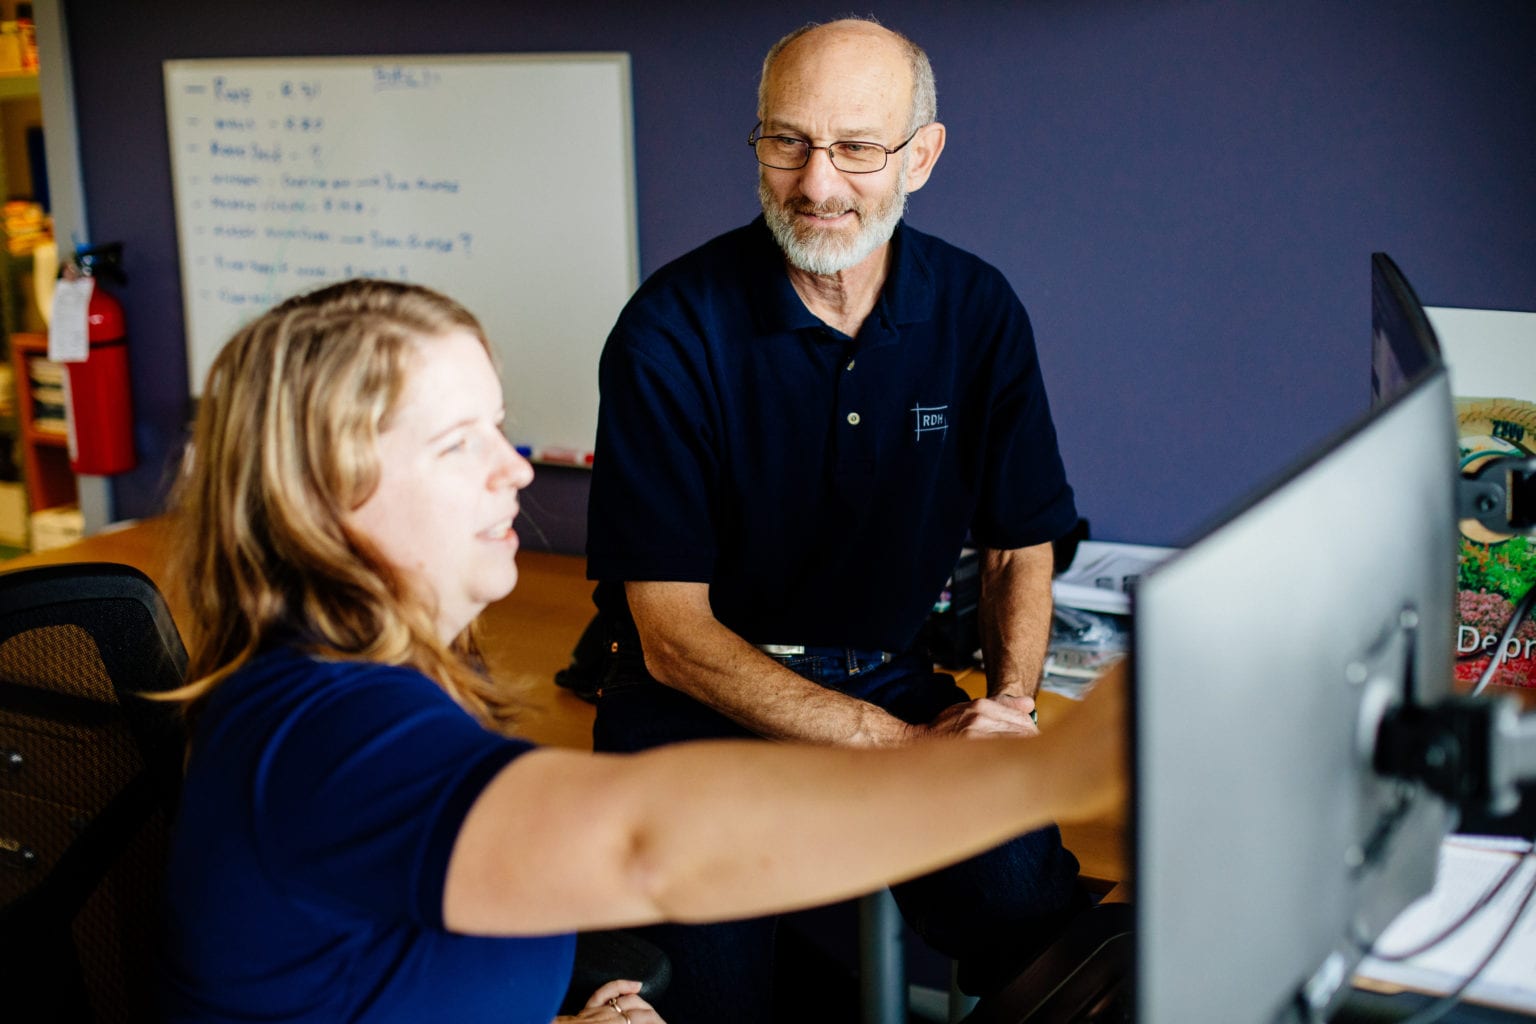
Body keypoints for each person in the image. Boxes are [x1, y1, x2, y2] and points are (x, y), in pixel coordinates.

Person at [155, 279, 1124, 1024]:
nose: (516, 468)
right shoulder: (333, 727)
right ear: (321, 491)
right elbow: (647, 846)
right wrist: (1043, 773)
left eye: (499, 425)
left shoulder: (369, 679)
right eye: (459, 443)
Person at [585, 16, 1086, 1021]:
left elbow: (1018, 542)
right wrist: (896, 748)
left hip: (886, 671)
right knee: (715, 994)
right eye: (787, 142)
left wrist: (1012, 709)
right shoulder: (668, 330)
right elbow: (674, 637)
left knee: (1032, 904)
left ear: (922, 157)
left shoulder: (978, 309)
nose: (816, 183)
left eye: (857, 147)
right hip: (696, 705)